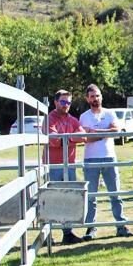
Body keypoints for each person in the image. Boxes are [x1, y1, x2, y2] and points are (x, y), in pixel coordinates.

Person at [79, 84, 133, 240]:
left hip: (109, 157)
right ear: (87, 98)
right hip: (90, 159)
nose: (95, 99)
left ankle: (121, 225)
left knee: (115, 193)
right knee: (91, 196)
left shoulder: (110, 113)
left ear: (101, 96)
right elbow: (85, 138)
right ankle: (91, 228)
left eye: (97, 95)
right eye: (92, 96)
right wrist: (105, 132)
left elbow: (116, 132)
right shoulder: (84, 116)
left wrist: (95, 132)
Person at [45, 89, 87, 245]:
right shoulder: (50, 119)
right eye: (63, 102)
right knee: (50, 199)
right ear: (56, 102)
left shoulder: (73, 120)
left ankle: (67, 233)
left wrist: (65, 139)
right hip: (53, 166)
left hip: (69, 165)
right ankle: (46, 234)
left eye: (68, 102)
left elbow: (83, 137)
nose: (66, 105)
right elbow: (53, 140)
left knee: (68, 199)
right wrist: (71, 139)